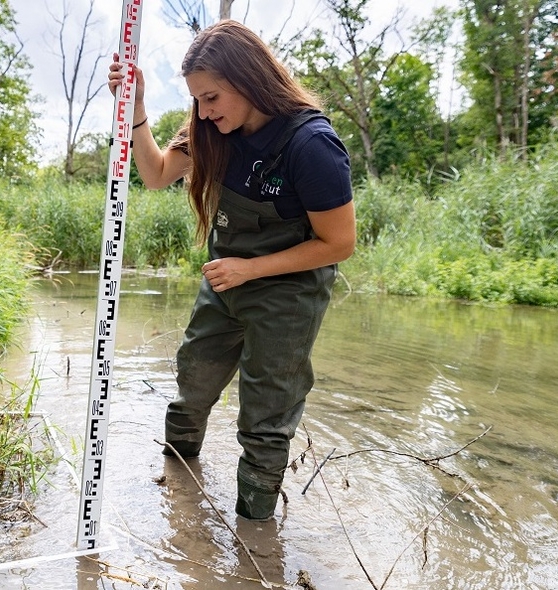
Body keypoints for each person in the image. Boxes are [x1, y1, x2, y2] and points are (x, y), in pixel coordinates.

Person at [109, 20, 356, 520]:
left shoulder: (310, 145)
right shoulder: (208, 129)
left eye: (212, 97)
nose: (203, 111)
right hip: (226, 282)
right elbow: (156, 174)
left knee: (266, 415)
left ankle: (255, 541)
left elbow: (339, 243)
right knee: (192, 381)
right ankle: (177, 484)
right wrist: (136, 112)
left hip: (289, 292)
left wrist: (252, 268)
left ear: (249, 80)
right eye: (198, 99)